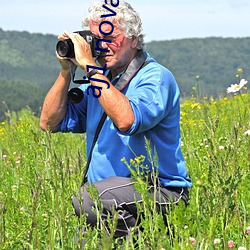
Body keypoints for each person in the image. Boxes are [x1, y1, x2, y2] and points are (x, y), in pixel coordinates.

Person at [40, 0, 192, 244]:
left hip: (160, 192)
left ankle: (146, 241)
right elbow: (49, 123)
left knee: (88, 199)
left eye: (111, 37)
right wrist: (66, 70)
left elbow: (127, 120)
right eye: (96, 38)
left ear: (133, 39)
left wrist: (90, 67)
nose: (102, 46)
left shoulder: (154, 77)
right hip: (110, 199)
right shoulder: (99, 83)